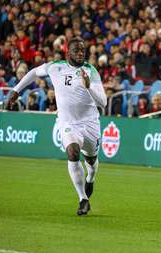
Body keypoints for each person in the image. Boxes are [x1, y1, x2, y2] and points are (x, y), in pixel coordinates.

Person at [6, 38, 107, 216]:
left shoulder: (90, 71)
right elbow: (34, 72)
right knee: (73, 153)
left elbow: (103, 102)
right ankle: (83, 199)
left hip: (90, 123)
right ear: (67, 52)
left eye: (83, 50)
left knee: (91, 161)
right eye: (76, 50)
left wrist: (89, 87)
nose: (80, 53)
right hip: (67, 122)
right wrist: (16, 90)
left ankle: (90, 179)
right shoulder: (55, 67)